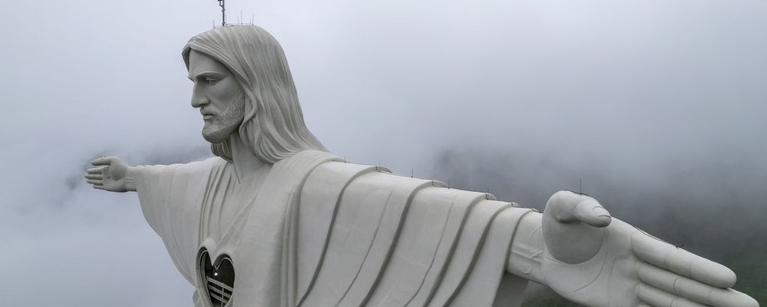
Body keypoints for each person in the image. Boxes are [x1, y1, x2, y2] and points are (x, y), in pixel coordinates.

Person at [86, 25, 758, 307]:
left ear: (255, 86)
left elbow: (427, 210)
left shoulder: (317, 184)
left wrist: (543, 249)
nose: (196, 97)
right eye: (193, 82)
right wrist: (131, 176)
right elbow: (170, 180)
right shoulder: (212, 182)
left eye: (210, 81)